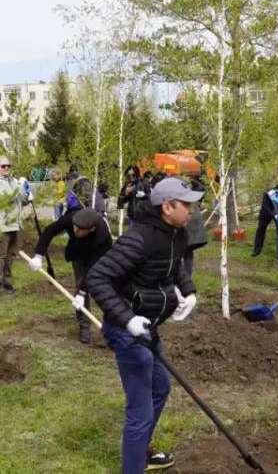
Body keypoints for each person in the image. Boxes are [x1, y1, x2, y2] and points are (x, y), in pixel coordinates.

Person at [85, 177, 201, 473]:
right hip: (125, 329)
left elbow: (175, 267)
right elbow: (96, 278)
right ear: (167, 207)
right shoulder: (139, 239)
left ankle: (141, 454)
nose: (192, 208)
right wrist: (127, 319)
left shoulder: (178, 233)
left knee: (160, 386)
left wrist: (188, 292)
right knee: (140, 411)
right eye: (186, 204)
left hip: (148, 328)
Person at [30, 206, 113, 344]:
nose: (75, 231)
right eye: (74, 227)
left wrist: (82, 292)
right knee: (80, 283)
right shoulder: (73, 219)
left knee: (100, 289)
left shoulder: (102, 236)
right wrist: (39, 255)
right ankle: (84, 326)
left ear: (91, 229)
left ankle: (112, 328)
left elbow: (93, 269)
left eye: (80, 230)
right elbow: (49, 231)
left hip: (97, 259)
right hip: (77, 254)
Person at [0, 156, 25, 294]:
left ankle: (7, 282)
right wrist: (19, 189)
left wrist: (26, 192)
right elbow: (7, 197)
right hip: (0, 224)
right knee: (1, 255)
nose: (7, 168)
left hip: (14, 224)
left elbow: (23, 198)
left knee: (11, 255)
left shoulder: (13, 180)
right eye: (3, 166)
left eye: (8, 165)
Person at [117, 166, 149, 230]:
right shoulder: (127, 184)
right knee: (133, 235)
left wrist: (144, 195)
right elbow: (120, 202)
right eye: (128, 175)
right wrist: (125, 193)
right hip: (132, 216)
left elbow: (151, 196)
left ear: (137, 174)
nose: (131, 177)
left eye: (133, 175)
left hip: (143, 215)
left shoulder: (143, 182)